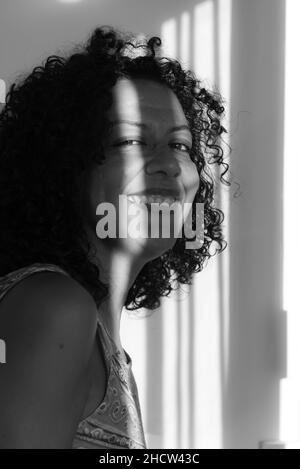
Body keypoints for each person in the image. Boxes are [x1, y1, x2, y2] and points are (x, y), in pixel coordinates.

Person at [0, 26, 230, 449]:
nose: (168, 165)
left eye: (180, 146)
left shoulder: (99, 337)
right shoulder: (55, 307)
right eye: (129, 140)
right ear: (65, 165)